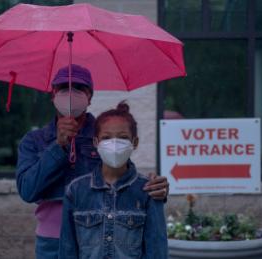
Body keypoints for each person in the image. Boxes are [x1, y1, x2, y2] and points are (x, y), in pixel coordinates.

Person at [16, 64, 169, 258]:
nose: (71, 93)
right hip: (52, 240)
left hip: (100, 234)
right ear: (52, 94)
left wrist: (153, 187)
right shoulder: (34, 140)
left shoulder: (105, 134)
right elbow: (28, 190)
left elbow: (121, 177)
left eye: (79, 88)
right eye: (63, 88)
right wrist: (58, 146)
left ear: (90, 97)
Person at [59, 101, 167, 259]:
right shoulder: (75, 190)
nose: (114, 144)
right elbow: (67, 249)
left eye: (123, 138)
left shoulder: (149, 190)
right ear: (96, 142)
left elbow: (157, 250)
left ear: (134, 142)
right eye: (106, 138)